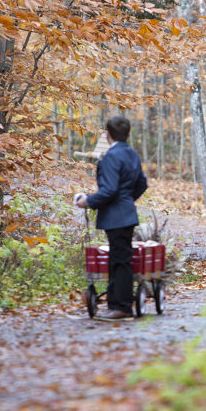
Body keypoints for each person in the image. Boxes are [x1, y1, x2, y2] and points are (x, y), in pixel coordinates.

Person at [75, 115, 148, 321]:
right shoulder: (131, 153)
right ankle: (115, 305)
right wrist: (127, 201)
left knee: (120, 262)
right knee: (118, 259)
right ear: (127, 133)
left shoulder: (111, 156)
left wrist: (87, 200)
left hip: (117, 216)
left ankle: (122, 307)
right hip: (125, 214)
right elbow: (142, 183)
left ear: (107, 133)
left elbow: (109, 191)